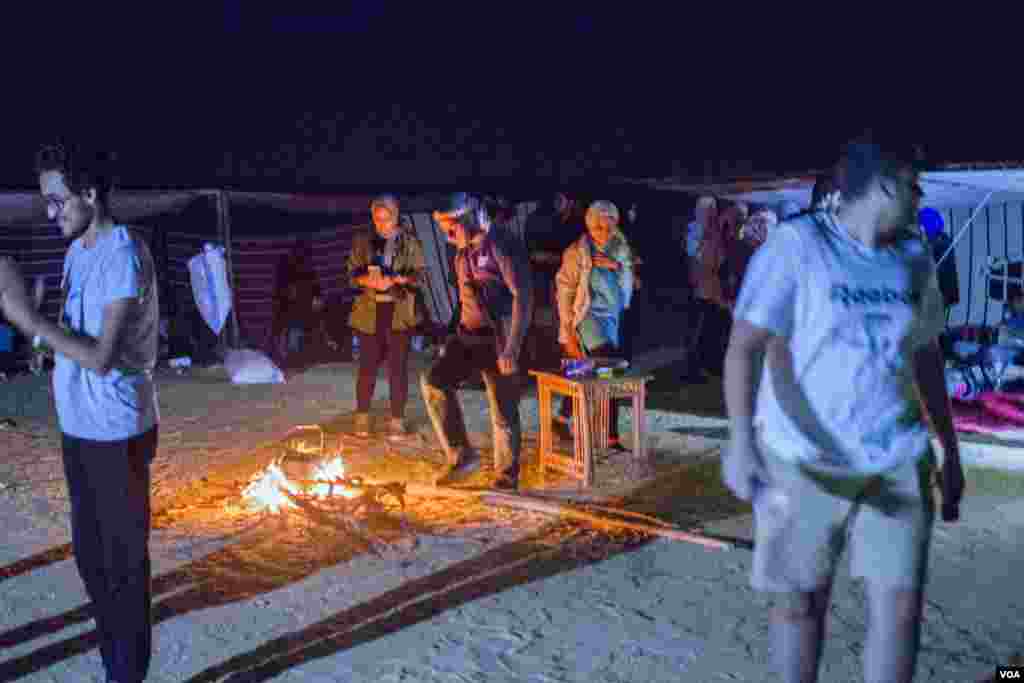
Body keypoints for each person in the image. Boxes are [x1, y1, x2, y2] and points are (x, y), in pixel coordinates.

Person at [722, 132, 963, 683]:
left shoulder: (913, 256)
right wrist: (741, 440)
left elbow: (927, 354)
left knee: (900, 609)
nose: (921, 197)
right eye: (915, 186)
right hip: (804, 460)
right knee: (799, 606)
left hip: (896, 458)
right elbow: (744, 345)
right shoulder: (796, 246)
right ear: (885, 185)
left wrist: (949, 448)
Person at [0, 144, 160, 683]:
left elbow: (100, 356)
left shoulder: (123, 254)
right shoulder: (76, 253)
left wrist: (28, 320)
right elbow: (71, 340)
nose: (51, 213)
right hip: (79, 428)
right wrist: (42, 336)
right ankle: (116, 657)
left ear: (90, 193)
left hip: (117, 432)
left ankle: (126, 674)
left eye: (58, 201)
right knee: (92, 559)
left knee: (123, 566)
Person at [421, 193, 532, 490]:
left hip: (499, 339)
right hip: (469, 337)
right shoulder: (462, 253)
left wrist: (512, 347)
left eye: (450, 226)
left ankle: (506, 474)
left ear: (467, 218)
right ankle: (461, 456)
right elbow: (467, 298)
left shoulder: (500, 245)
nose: (447, 234)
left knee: (503, 409)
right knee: (434, 380)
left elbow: (523, 296)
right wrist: (452, 337)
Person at [554, 200, 635, 448]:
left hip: (611, 318)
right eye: (598, 228)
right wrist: (567, 331)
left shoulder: (620, 248)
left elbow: (628, 284)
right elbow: (564, 292)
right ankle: (610, 435)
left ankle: (562, 416)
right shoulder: (576, 252)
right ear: (589, 226)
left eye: (609, 227)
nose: (604, 233)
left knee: (594, 370)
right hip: (585, 316)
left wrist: (616, 266)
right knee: (611, 366)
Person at [346, 195, 427, 438]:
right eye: (378, 219)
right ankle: (362, 417)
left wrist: (397, 279)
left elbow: (419, 276)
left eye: (387, 219)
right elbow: (352, 274)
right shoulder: (363, 241)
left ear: (396, 215)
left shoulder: (408, 242)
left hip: (398, 311)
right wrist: (367, 280)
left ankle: (397, 420)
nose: (382, 224)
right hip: (370, 311)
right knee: (367, 366)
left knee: (397, 368)